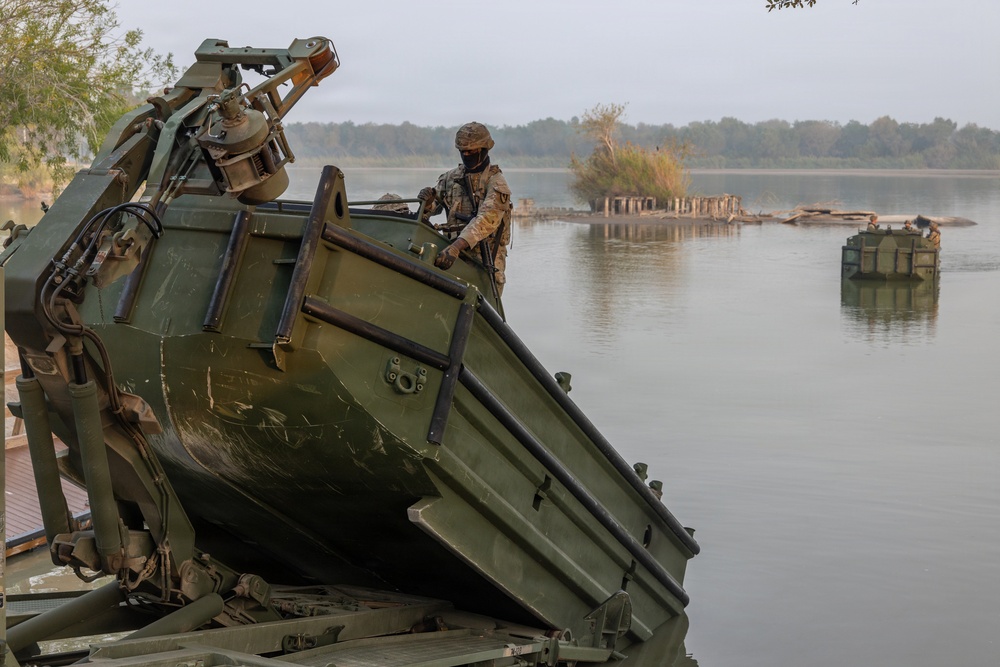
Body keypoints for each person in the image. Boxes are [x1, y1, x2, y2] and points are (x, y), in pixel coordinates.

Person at [417, 122, 512, 295]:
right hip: (452, 256)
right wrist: (427, 202)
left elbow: (486, 220)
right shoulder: (452, 177)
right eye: (463, 151)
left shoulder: (496, 182)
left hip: (485, 261)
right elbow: (433, 208)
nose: (467, 155)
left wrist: (456, 247)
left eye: (472, 151)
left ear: (484, 149)